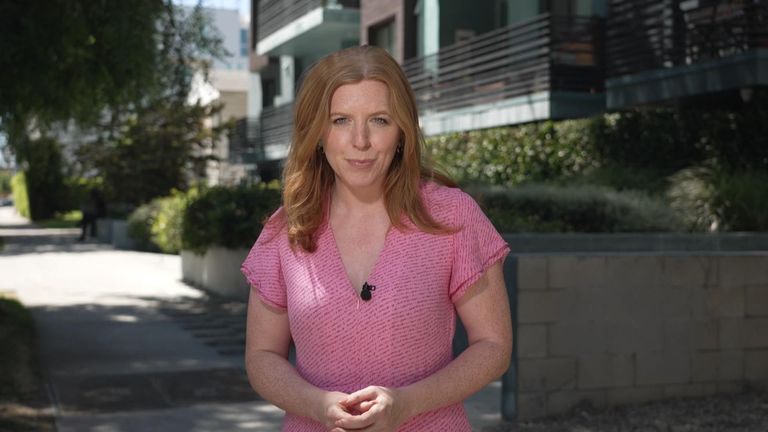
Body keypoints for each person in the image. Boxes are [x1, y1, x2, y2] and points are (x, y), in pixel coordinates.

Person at [241, 45, 512, 432]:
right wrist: (317, 406)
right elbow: (262, 356)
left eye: (380, 120)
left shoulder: (453, 216)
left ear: (402, 130)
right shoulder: (286, 230)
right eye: (340, 120)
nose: (361, 140)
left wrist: (407, 404)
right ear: (317, 131)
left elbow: (494, 346)